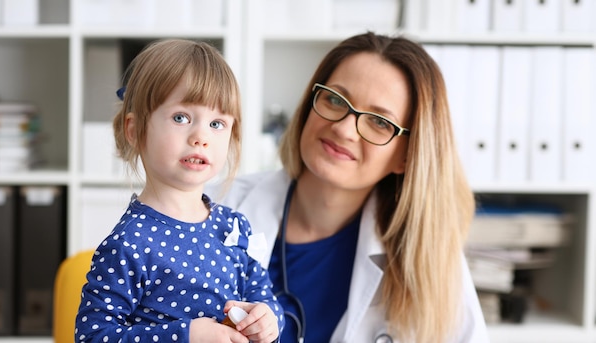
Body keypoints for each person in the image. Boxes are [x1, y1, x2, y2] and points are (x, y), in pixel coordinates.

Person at [208, 32, 489, 342]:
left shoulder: (429, 255)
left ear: (408, 156)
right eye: (335, 99)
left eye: (380, 122)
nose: (343, 129)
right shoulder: (213, 208)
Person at [74, 38, 284, 343]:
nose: (200, 136)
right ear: (135, 130)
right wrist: (184, 336)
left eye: (217, 123)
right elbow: (93, 336)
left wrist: (268, 320)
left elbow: (263, 296)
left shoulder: (234, 226)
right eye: (181, 118)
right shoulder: (129, 244)